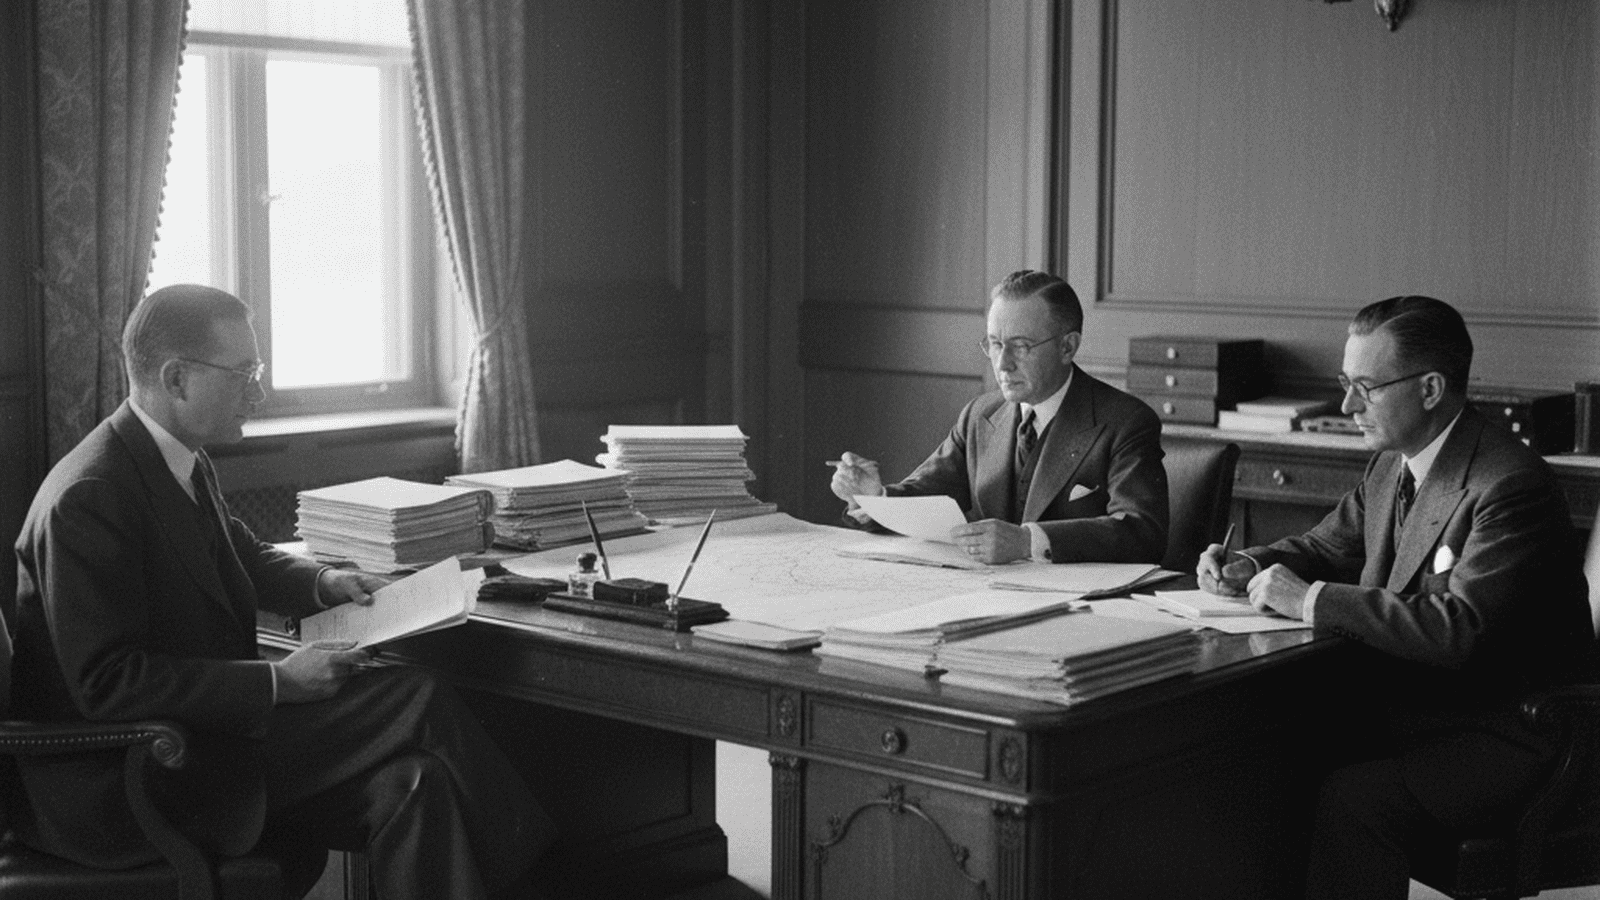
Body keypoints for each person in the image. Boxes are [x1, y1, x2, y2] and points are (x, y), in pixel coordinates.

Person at [9, 284, 555, 899]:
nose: (259, 392)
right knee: (418, 696)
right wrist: (278, 682)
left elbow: (244, 554)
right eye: (244, 372)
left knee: (415, 782)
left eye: (258, 371)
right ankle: (549, 872)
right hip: (130, 776)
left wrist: (327, 583)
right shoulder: (92, 495)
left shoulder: (171, 454)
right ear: (176, 377)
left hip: (194, 742)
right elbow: (108, 683)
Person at [1197, 295, 1592, 900]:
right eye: (1344, 384)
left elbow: (1459, 628)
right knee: (1266, 758)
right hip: (1423, 708)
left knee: (1348, 798)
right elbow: (1325, 546)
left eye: (1367, 387)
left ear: (1431, 388)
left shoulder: (1509, 486)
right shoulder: (1392, 464)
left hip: (1507, 734)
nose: (1349, 405)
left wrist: (1311, 599)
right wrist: (1250, 563)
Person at [830, 269, 1168, 564]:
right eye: (994, 344)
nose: (1003, 363)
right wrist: (875, 498)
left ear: (1067, 347)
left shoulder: (1126, 421)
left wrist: (1028, 541)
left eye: (1020, 347)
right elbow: (927, 495)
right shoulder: (980, 415)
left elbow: (1142, 531)